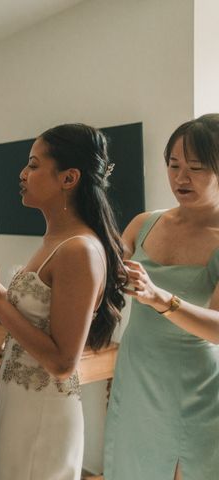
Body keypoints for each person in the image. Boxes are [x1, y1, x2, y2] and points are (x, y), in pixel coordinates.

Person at [0, 123, 126, 480]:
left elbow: (63, 362)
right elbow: (36, 317)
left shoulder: (79, 249)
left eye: (34, 165)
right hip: (21, 403)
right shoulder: (56, 240)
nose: (22, 174)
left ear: (68, 178)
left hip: (43, 413)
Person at [104, 114, 219, 480]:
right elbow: (104, 275)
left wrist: (159, 298)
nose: (180, 178)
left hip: (196, 386)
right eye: (173, 165)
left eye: (196, 168)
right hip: (137, 372)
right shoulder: (144, 222)